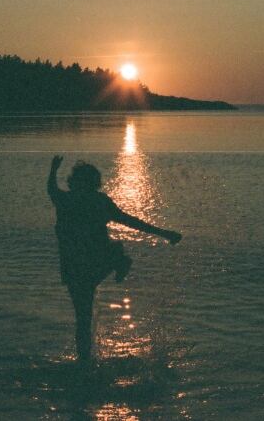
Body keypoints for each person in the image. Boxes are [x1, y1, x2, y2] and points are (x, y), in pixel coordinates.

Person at [47, 155, 181, 364]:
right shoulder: (98, 201)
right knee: (83, 317)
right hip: (87, 265)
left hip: (75, 267)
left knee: (83, 318)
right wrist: (165, 234)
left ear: (75, 183)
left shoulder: (66, 200)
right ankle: (119, 262)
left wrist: (53, 170)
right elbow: (130, 221)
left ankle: (83, 363)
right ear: (95, 183)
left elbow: (51, 189)